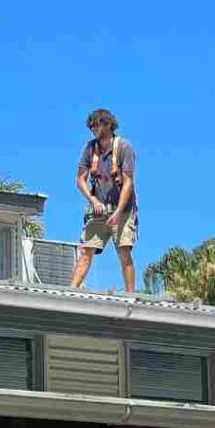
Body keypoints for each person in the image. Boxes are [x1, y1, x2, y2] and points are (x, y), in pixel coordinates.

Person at [71, 108, 137, 291]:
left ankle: (131, 296)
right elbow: (80, 180)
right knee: (86, 250)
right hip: (99, 208)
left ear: (108, 124)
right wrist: (93, 200)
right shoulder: (90, 148)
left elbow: (128, 183)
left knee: (124, 250)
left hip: (122, 209)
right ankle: (71, 290)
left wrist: (118, 212)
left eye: (97, 124)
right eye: (91, 125)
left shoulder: (124, 147)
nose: (93, 128)